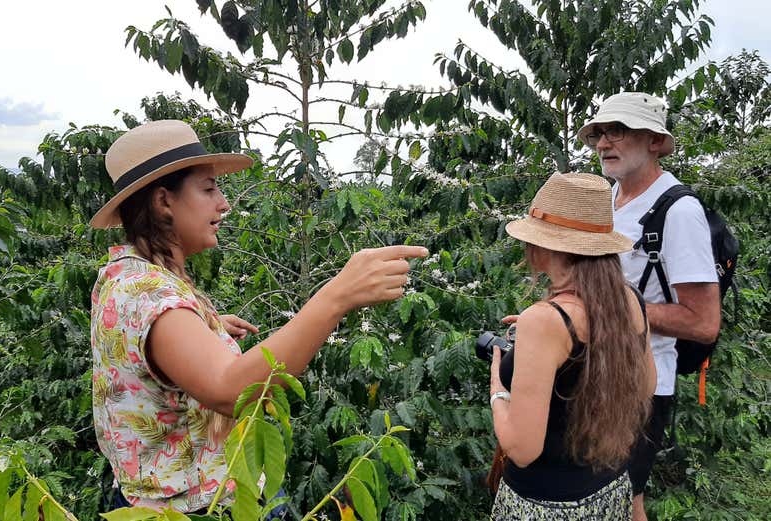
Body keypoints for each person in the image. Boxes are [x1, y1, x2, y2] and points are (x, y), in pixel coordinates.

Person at [89, 120, 428, 514]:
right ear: (164, 201)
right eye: (208, 189)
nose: (223, 203)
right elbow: (230, 391)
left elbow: (140, 345)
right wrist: (337, 295)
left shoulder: (127, 275)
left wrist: (203, 330)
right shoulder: (150, 294)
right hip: (202, 509)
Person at [576, 92, 721, 520]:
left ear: (655, 142)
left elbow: (703, 322)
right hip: (594, 373)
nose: (604, 143)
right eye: (600, 133)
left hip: (640, 386)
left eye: (618, 131)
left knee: (623, 502)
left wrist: (606, 312)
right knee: (603, 501)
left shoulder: (678, 212)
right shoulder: (610, 199)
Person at [488, 172, 657, 520]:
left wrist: (497, 390)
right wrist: (543, 338)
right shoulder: (629, 299)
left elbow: (522, 449)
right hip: (609, 491)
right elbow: (645, 386)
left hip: (546, 505)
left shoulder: (546, 321)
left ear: (543, 246)